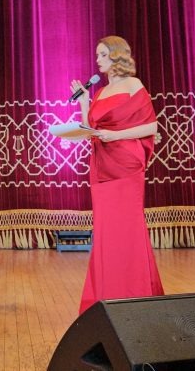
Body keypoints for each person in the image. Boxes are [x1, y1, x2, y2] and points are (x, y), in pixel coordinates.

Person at [71, 36, 164, 314]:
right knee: (106, 234)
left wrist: (115, 135)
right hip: (101, 167)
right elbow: (90, 129)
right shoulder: (100, 92)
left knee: (128, 231)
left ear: (116, 55)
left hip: (125, 165)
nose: (97, 60)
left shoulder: (133, 84)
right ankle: (106, 297)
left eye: (102, 54)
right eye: (97, 55)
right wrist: (84, 103)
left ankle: (136, 294)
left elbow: (151, 127)